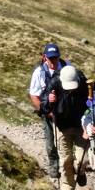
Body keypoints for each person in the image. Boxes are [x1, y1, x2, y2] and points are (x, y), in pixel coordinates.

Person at [43, 64, 91, 190]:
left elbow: (93, 100)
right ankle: (67, 188)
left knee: (84, 158)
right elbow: (44, 105)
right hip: (62, 126)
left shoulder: (83, 82)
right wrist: (48, 102)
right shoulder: (54, 82)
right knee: (65, 159)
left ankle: (80, 171)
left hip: (80, 125)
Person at [28, 42, 66, 181]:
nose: (53, 61)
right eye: (50, 58)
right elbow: (34, 95)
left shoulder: (67, 68)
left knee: (67, 142)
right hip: (48, 112)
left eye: (56, 58)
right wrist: (45, 112)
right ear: (45, 57)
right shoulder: (39, 72)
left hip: (65, 112)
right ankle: (54, 166)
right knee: (50, 143)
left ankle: (70, 168)